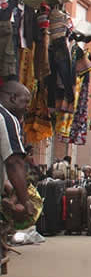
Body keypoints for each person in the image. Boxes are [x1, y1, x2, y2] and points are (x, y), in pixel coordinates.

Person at [0, 81, 34, 224]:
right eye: (25, 102)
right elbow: (14, 162)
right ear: (13, 98)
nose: (27, 108)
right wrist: (25, 202)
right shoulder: (6, 118)